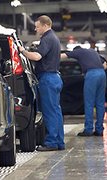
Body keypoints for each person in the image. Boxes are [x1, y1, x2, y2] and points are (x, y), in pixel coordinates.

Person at [18, 15, 64, 151]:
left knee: (49, 112)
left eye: (37, 26)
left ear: (45, 25)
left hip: (48, 79)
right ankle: (59, 142)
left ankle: (51, 143)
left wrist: (23, 51)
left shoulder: (47, 38)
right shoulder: (54, 38)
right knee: (56, 111)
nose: (36, 29)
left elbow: (37, 56)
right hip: (54, 77)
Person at [61, 46, 106, 136]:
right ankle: (99, 130)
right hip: (102, 73)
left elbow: (62, 56)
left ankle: (88, 129)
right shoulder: (92, 52)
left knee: (89, 103)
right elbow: (105, 64)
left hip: (92, 74)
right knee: (100, 103)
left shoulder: (78, 52)